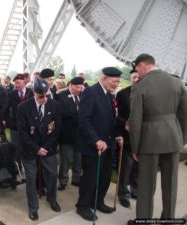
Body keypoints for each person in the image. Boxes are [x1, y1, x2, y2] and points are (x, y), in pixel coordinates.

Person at [127, 53, 187, 225]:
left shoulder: (140, 86)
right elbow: (185, 115)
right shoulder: (177, 82)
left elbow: (136, 121)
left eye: (137, 68)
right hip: (173, 138)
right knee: (171, 183)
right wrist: (181, 138)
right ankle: (168, 219)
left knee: (146, 186)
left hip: (149, 141)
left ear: (143, 65)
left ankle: (144, 220)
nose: (137, 72)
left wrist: (135, 148)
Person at [75, 67, 123, 221]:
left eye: (118, 82)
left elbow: (110, 119)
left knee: (105, 177)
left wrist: (119, 132)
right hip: (93, 146)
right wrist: (96, 140)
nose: (116, 84)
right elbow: (84, 120)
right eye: (114, 81)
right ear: (104, 78)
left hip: (108, 145)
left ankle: (98, 201)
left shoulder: (108, 95)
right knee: (90, 178)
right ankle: (83, 206)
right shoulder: (90, 92)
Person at [17, 77, 62, 221]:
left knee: (53, 175)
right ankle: (33, 207)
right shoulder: (23, 107)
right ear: (34, 93)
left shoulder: (55, 106)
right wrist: (37, 149)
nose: (44, 99)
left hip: (48, 148)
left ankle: (52, 199)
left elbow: (56, 130)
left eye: (47, 95)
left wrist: (45, 148)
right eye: (41, 96)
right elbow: (23, 134)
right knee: (31, 179)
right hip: (30, 150)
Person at [116, 70, 140, 208]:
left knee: (138, 167)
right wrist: (124, 124)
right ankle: (123, 193)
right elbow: (116, 115)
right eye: (134, 77)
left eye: (139, 77)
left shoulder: (147, 92)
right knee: (126, 167)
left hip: (143, 138)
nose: (136, 79)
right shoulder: (123, 94)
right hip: (127, 137)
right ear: (131, 79)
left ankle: (135, 190)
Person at [57, 77, 84, 191]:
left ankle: (76, 178)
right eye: (77, 87)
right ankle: (63, 180)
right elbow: (61, 113)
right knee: (66, 159)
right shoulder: (61, 96)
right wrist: (77, 111)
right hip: (66, 134)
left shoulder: (82, 95)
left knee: (78, 159)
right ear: (71, 85)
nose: (79, 89)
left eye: (81, 87)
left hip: (80, 134)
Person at [4, 74, 33, 165]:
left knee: (27, 145)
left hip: (28, 126)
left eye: (18, 83)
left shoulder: (31, 92)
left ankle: (27, 165)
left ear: (24, 82)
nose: (16, 85)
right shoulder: (11, 94)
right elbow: (6, 108)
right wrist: (6, 120)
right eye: (15, 83)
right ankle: (17, 167)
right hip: (15, 126)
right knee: (16, 146)